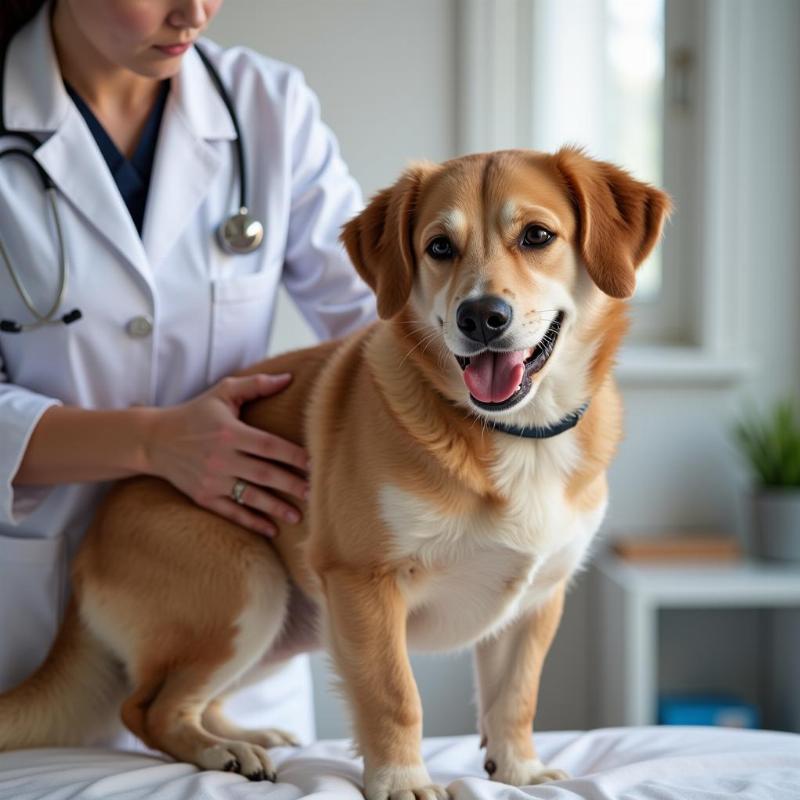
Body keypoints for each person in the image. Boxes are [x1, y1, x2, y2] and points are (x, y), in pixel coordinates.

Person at [0, 0, 376, 746]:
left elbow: (382, 324)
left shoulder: (268, 108)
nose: (195, 12)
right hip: (34, 619)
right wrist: (153, 442)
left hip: (235, 636)